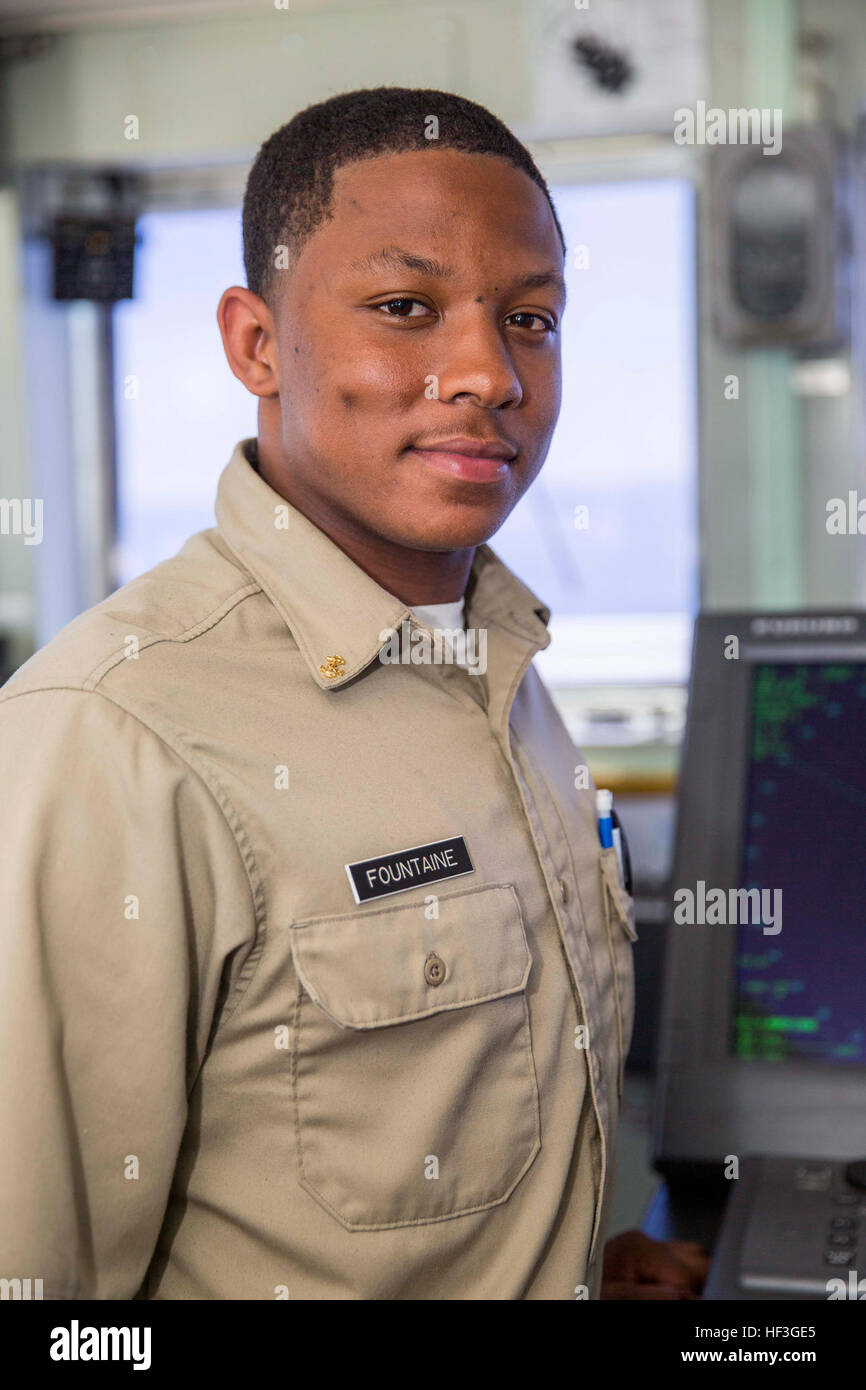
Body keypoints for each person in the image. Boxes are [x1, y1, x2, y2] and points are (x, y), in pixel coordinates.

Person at [0, 85, 708, 1300]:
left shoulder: (499, 659)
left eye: (529, 319)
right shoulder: (114, 733)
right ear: (256, 343)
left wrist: (578, 1268)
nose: (487, 372)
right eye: (405, 308)